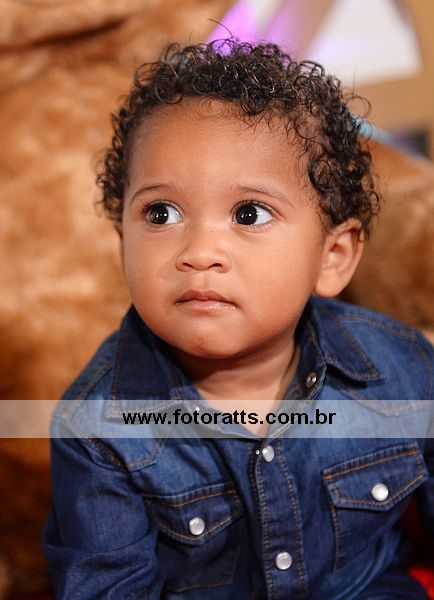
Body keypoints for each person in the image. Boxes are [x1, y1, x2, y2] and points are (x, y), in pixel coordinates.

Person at [42, 39, 434, 599]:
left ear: (332, 257)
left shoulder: (402, 368)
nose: (200, 252)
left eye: (249, 213)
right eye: (161, 213)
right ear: (123, 241)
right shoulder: (97, 430)